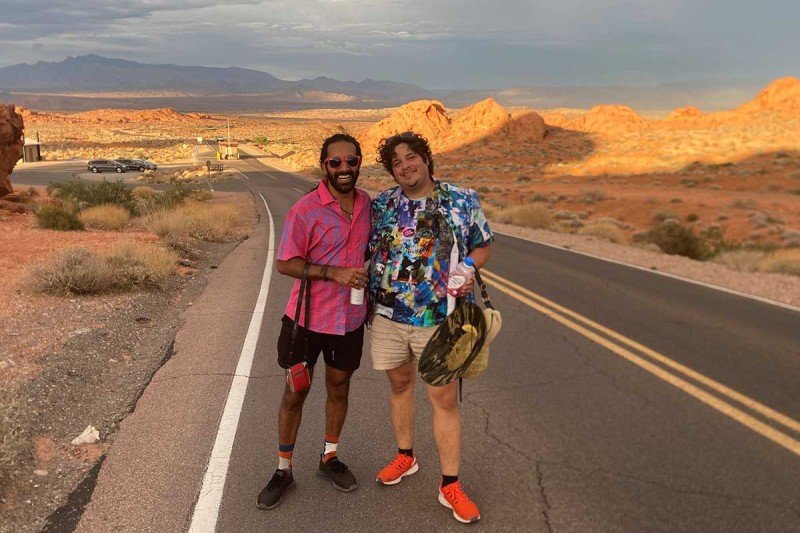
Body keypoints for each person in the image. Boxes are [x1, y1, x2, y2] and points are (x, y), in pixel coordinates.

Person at [367, 131, 493, 524]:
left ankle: (450, 485)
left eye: (410, 157)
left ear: (425, 157)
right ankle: (406, 457)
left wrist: (469, 267)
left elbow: (483, 243)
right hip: (388, 316)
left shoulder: (461, 199)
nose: (405, 166)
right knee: (399, 386)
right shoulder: (384, 203)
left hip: (439, 319)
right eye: (396, 163)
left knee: (444, 400)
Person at [257, 133, 371, 510]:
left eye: (350, 161)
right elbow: (285, 263)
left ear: (359, 163)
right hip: (306, 320)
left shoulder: (369, 204)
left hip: (349, 320)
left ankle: (329, 457)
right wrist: (332, 273)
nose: (343, 168)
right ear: (324, 165)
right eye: (335, 162)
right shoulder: (305, 210)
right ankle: (283, 469)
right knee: (295, 392)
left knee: (339, 388)